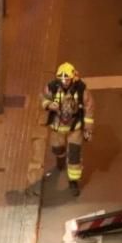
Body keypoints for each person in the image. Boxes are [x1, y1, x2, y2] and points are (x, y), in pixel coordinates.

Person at [42, 63, 95, 196]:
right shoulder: (52, 87)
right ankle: (60, 158)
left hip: (74, 128)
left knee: (74, 156)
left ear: (72, 77)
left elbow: (89, 109)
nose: (64, 82)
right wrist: (49, 104)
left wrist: (88, 129)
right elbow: (43, 99)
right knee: (56, 148)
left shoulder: (81, 89)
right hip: (57, 127)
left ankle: (73, 182)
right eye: (62, 79)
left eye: (67, 79)